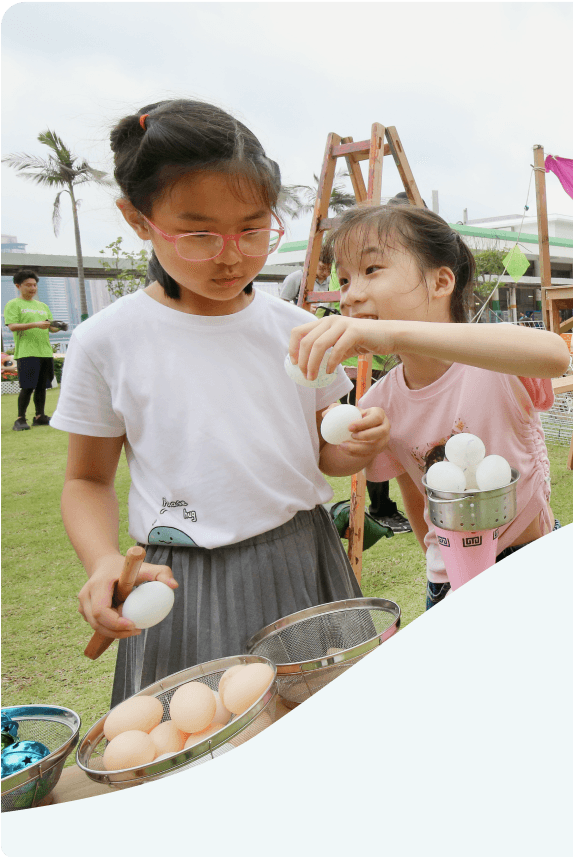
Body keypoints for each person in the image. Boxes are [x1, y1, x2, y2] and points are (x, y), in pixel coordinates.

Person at [50, 99, 389, 706]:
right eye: (199, 232)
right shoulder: (107, 340)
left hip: (303, 556)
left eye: (252, 228)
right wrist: (103, 562)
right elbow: (86, 479)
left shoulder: (296, 327)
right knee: (196, 744)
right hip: (180, 582)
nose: (231, 253)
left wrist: (353, 446)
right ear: (138, 219)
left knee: (320, 727)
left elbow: (326, 459)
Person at [289, 205, 570, 610]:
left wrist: (393, 332)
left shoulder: (494, 362)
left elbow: (555, 356)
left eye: (371, 270)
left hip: (532, 560)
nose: (350, 294)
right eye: (345, 279)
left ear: (441, 282)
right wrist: (361, 448)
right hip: (449, 580)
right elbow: (415, 494)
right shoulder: (381, 402)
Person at [5, 269, 59, 431]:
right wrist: (36, 324)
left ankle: (40, 416)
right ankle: (20, 419)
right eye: (28, 285)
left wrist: (58, 327)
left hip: (45, 352)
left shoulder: (42, 306)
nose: (32, 288)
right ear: (18, 286)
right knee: (27, 387)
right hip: (27, 353)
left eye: (34, 285)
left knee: (42, 386)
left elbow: (50, 328)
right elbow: (12, 326)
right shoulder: (13, 304)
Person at [280, 242, 332, 307]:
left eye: (329, 270)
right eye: (322, 268)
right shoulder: (296, 277)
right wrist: (304, 309)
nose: (326, 273)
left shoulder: (332, 281)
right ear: (312, 262)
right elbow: (282, 303)